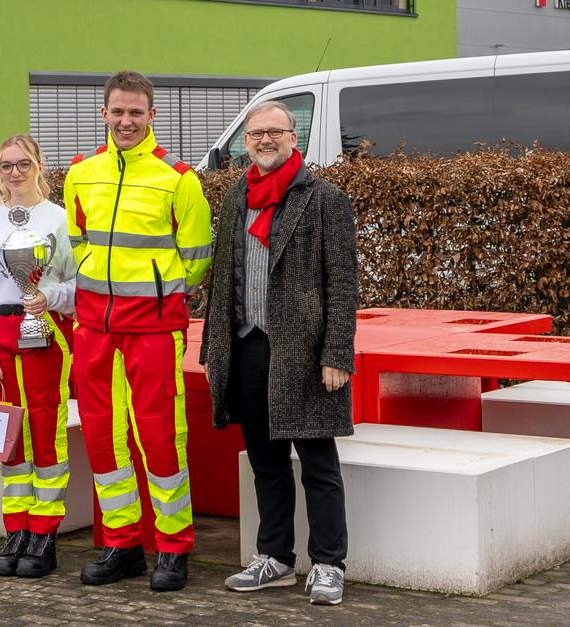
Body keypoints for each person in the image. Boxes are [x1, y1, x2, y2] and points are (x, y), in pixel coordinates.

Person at [199, 100, 358, 605]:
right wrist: (213, 349)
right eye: (256, 134)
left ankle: (329, 564)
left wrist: (337, 353)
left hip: (304, 353)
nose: (265, 140)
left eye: (275, 132)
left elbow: (343, 283)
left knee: (318, 465)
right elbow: (223, 277)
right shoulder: (236, 196)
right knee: (265, 464)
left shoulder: (324, 198)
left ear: (294, 138)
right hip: (246, 347)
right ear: (246, 142)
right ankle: (276, 558)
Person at [63, 71, 213, 591]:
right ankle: (121, 545)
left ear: (152, 115)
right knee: (103, 440)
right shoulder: (80, 173)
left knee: (161, 437)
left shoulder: (179, 178)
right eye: (118, 111)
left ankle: (173, 547)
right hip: (93, 328)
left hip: (153, 329)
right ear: (103, 113)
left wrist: (155, 293)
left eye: (135, 112)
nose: (126, 121)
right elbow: (77, 240)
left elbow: (196, 258)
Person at [0, 135, 76, 578]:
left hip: (45, 329)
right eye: (5, 165)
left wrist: (50, 296)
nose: (14, 173)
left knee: (46, 430)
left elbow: (78, 284)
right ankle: (17, 529)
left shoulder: (60, 218)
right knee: (10, 438)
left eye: (23, 163)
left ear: (39, 165)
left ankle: (44, 533)